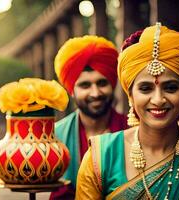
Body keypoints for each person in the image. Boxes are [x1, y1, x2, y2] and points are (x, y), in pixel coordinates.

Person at [76, 23, 179, 199]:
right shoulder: (101, 156)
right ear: (131, 95)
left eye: (171, 88)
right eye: (145, 88)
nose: (158, 100)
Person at [51, 35, 128, 199]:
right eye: (85, 85)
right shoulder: (55, 137)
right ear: (72, 90)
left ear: (112, 84)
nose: (95, 93)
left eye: (102, 83)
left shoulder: (133, 129)